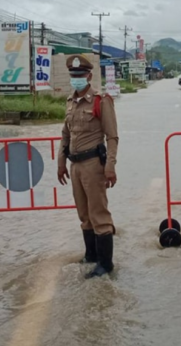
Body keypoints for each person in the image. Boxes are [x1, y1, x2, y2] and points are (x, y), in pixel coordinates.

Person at [58, 55, 119, 278]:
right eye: (73, 76)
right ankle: (91, 255)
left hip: (94, 165)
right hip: (75, 166)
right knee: (84, 214)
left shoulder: (101, 101)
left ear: (89, 76)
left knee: (98, 214)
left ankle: (106, 265)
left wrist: (110, 166)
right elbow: (65, 135)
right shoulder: (69, 102)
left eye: (80, 75)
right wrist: (60, 163)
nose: (76, 79)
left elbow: (112, 137)